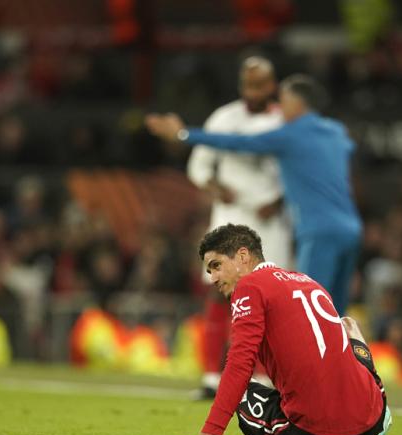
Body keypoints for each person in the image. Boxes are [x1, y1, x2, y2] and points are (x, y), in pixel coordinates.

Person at [145, 74, 362, 318]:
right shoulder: (336, 132)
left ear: (297, 103)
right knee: (336, 310)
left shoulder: (291, 134)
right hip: (351, 228)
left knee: (310, 308)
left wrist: (183, 134)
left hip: (319, 231)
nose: (280, 108)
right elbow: (348, 148)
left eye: (284, 101)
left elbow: (240, 142)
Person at [175, 223, 391, 435]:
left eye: (216, 266)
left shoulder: (248, 286)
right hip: (371, 418)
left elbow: (240, 363)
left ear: (242, 256)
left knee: (242, 393)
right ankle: (382, 414)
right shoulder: (308, 281)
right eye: (210, 271)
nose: (213, 278)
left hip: (318, 428)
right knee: (348, 326)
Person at [186, 56, 292, 398]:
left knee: (271, 299)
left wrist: (282, 199)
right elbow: (199, 166)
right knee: (217, 293)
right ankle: (210, 377)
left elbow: (301, 170)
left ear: (272, 86)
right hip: (230, 219)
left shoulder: (285, 120)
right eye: (248, 85)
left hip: (270, 222)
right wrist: (217, 188)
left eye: (260, 85)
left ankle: (262, 379)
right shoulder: (224, 118)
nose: (253, 92)